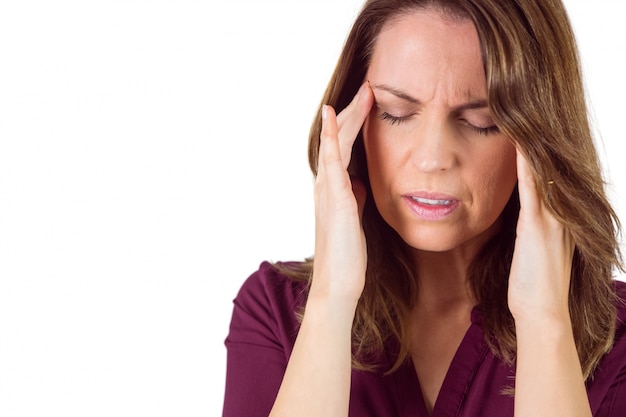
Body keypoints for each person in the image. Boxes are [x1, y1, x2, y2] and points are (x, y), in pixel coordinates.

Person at [222, 0, 626, 416]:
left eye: (481, 121)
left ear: (542, 138)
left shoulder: (617, 341)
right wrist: (331, 297)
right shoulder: (276, 311)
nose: (433, 157)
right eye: (396, 114)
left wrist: (545, 322)